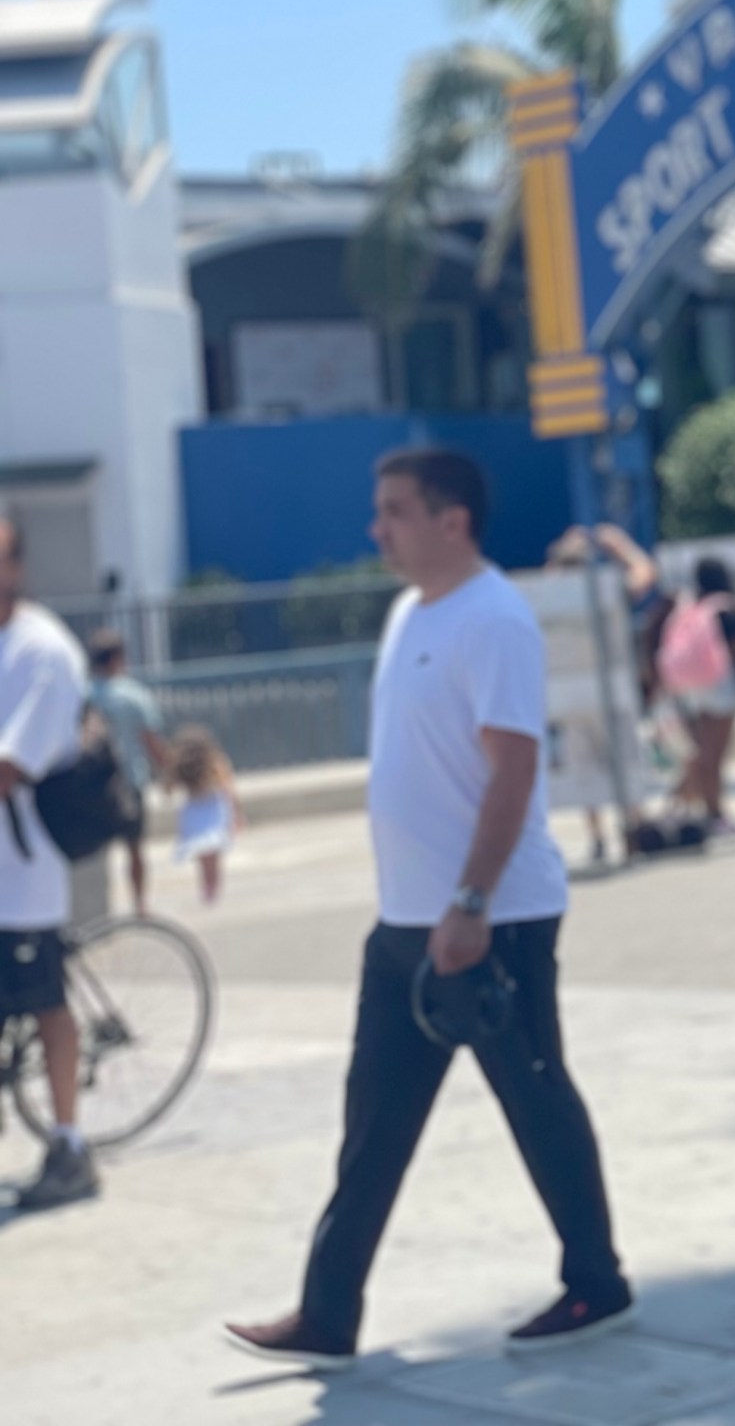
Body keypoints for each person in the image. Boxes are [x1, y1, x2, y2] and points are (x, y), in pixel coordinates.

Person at [227, 448, 632, 1367]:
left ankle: (597, 1283)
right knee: (373, 1121)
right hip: (406, 923)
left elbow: (515, 770)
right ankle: (328, 1316)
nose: (378, 529)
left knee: (535, 1097)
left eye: (396, 511)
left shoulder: (495, 620)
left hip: (492, 918)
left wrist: (471, 904)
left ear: (454, 521)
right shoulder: (408, 611)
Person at [0, 516, 102, 1211]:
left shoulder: (43, 652)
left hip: (23, 874)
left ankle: (69, 1143)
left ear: (16, 567)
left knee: (46, 1008)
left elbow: (12, 765)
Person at [545, 523, 664, 865]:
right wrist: (620, 546)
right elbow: (645, 573)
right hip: (611, 694)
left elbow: (551, 573)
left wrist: (562, 550)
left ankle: (597, 836)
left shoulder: (549, 599)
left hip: (571, 698)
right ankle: (634, 827)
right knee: (625, 761)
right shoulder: (604, 592)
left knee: (583, 769)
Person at [657, 556, 735, 835]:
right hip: (720, 686)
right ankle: (714, 813)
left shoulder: (691, 607)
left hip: (690, 689)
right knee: (713, 757)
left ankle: (678, 806)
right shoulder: (726, 608)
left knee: (699, 754)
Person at [86, 627, 167, 915]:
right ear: (118, 658)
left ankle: (93, 906)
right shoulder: (133, 695)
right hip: (129, 780)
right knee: (135, 847)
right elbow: (150, 740)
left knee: (93, 847)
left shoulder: (83, 694)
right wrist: (166, 773)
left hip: (90, 783)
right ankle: (140, 903)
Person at [166, 725, 240, 906]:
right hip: (212, 809)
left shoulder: (180, 763)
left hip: (193, 810)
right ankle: (212, 886)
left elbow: (168, 788)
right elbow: (228, 786)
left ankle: (207, 886)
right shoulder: (213, 761)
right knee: (213, 855)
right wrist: (237, 813)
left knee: (202, 856)